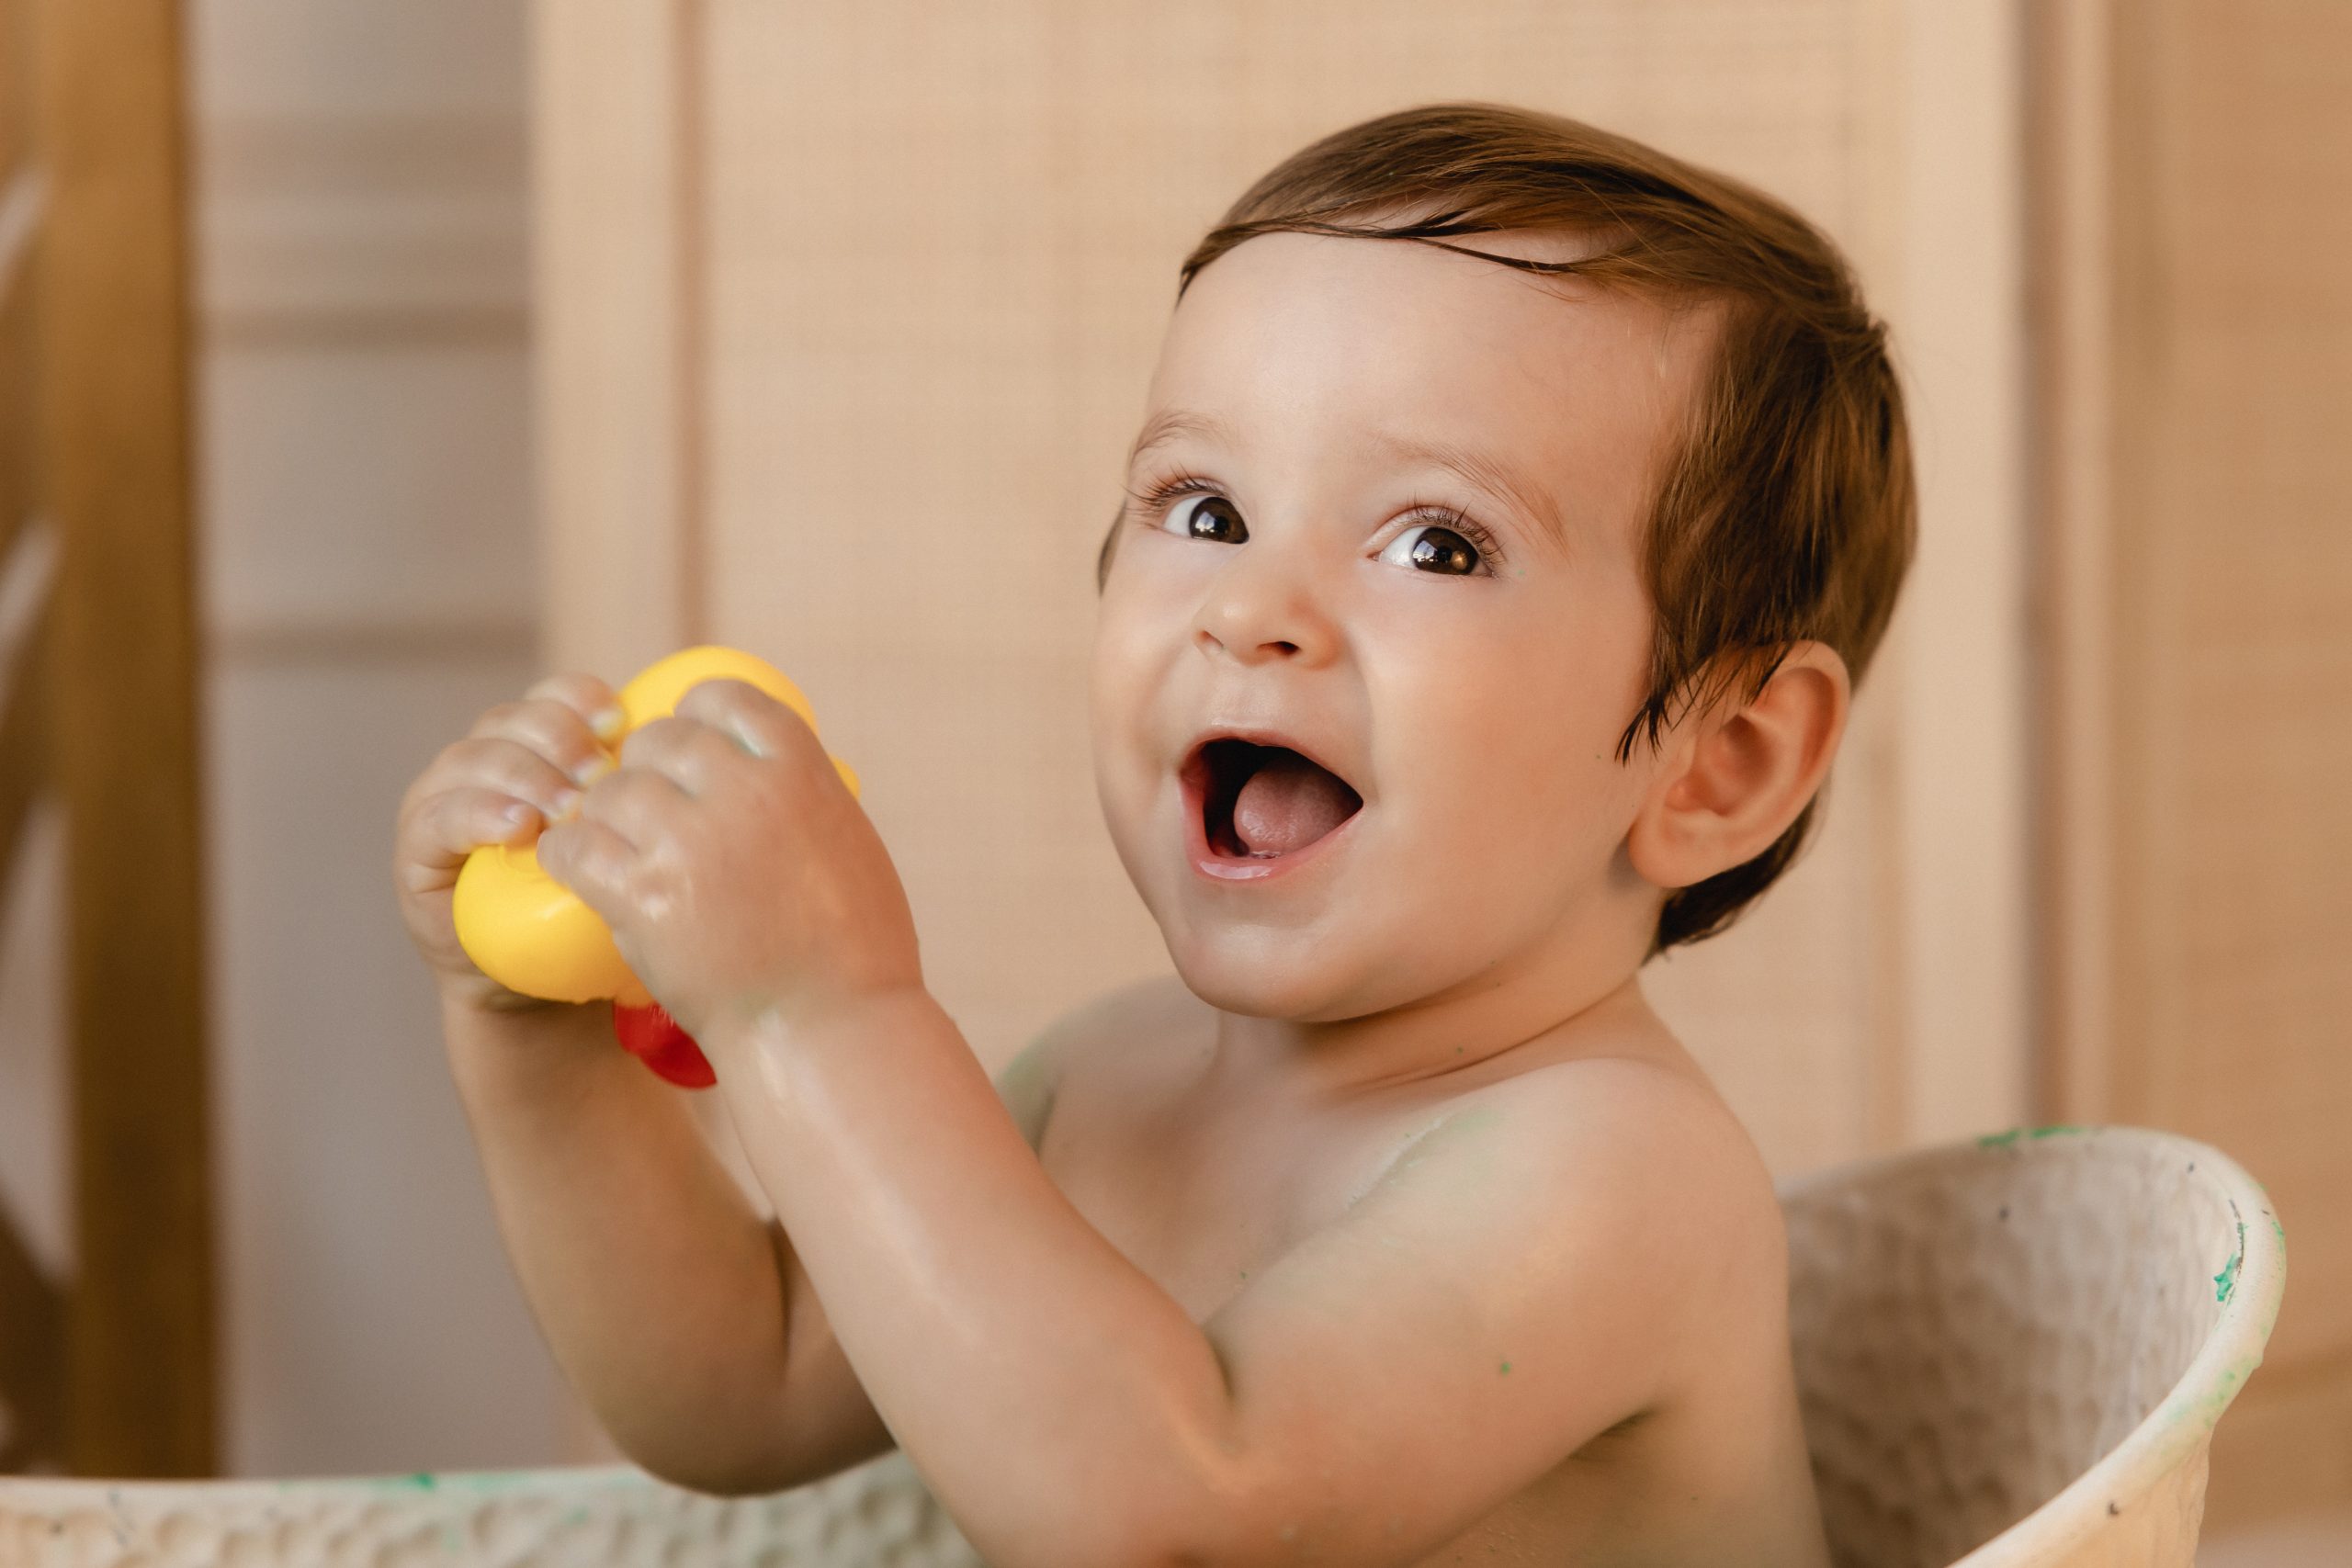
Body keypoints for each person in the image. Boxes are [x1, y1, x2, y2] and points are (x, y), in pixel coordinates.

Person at [393, 101, 1912, 1566]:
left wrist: (821, 1009)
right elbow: (744, 1385)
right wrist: (534, 1034)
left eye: (1436, 544)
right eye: (1204, 511)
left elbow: (1173, 1513)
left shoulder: (1614, 1174)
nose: (1250, 608)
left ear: (1719, 764)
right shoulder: (1106, 1083)